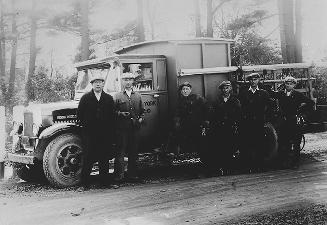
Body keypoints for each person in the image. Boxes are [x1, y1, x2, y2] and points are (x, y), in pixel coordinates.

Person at [77, 73, 116, 188]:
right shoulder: (85, 98)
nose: (98, 84)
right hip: (90, 134)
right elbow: (79, 115)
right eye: (95, 82)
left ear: (103, 84)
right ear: (92, 84)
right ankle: (84, 184)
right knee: (88, 158)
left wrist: (110, 133)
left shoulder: (108, 98)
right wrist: (87, 128)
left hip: (104, 134)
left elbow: (112, 116)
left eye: (100, 82)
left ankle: (105, 183)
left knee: (104, 158)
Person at [276, 76, 314, 167]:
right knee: (284, 141)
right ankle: (284, 162)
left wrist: (301, 112)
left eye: (291, 84)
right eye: (287, 84)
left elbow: (311, 103)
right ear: (284, 84)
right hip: (284, 121)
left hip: (295, 121)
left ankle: (295, 162)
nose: (289, 85)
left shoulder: (298, 95)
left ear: (294, 85)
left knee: (296, 143)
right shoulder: (280, 94)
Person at [113, 73, 145, 183]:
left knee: (134, 152)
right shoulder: (117, 96)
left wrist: (141, 119)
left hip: (134, 128)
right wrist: (120, 114)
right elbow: (112, 112)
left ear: (133, 82)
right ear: (122, 81)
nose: (128, 82)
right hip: (122, 129)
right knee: (120, 152)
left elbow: (143, 111)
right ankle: (119, 176)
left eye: (130, 80)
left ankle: (133, 175)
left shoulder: (138, 96)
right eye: (125, 80)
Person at [238, 73, 270, 170]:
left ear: (258, 81)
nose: (253, 81)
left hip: (259, 122)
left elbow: (268, 107)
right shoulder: (243, 93)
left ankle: (259, 165)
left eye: (255, 79)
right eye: (251, 80)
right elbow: (240, 108)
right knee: (247, 143)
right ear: (249, 81)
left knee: (259, 143)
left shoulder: (264, 93)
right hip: (247, 122)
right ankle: (248, 166)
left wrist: (264, 119)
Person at [208, 81, 241, 171]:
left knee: (231, 147)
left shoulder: (235, 101)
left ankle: (229, 167)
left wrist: (235, 124)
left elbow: (238, 114)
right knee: (220, 147)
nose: (225, 90)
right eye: (223, 88)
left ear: (230, 89)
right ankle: (222, 166)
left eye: (227, 88)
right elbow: (212, 115)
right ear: (221, 90)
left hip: (230, 127)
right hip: (220, 128)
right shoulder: (217, 101)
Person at [173, 81, 208, 153]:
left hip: (197, 125)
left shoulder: (197, 98)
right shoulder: (180, 102)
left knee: (197, 142)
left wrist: (205, 121)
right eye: (183, 89)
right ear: (181, 91)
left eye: (187, 89)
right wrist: (177, 123)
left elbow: (206, 108)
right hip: (185, 126)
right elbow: (177, 114)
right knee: (187, 143)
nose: (185, 91)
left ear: (190, 90)